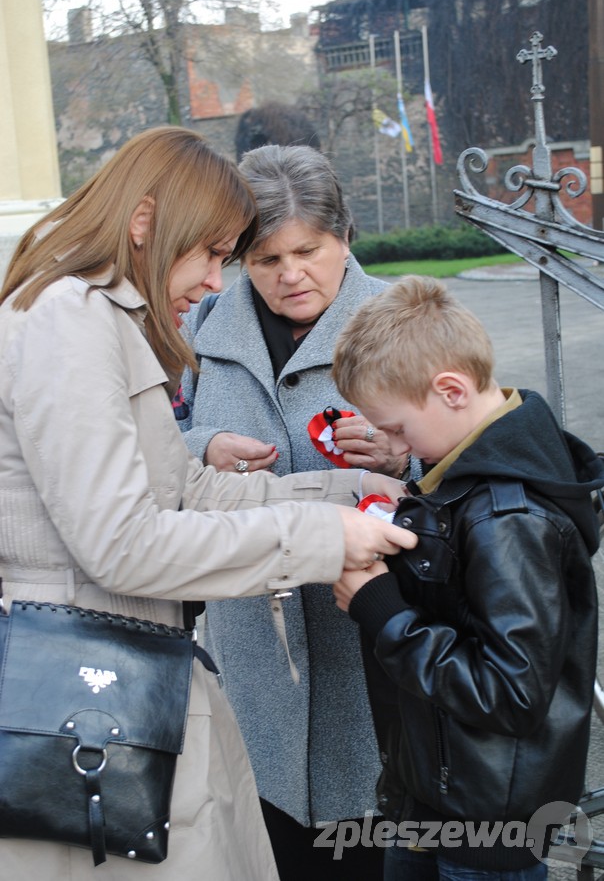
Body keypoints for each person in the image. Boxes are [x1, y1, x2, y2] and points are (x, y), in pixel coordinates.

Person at [0, 127, 417, 881]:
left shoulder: (97, 316)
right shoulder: (70, 323)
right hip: (87, 690)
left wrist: (347, 491)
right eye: (219, 253)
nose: (220, 282)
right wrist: (327, 536)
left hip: (118, 675)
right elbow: (123, 543)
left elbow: (184, 488)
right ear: (146, 226)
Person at [177, 144, 410, 880]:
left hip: (375, 644)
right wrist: (205, 441)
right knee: (267, 840)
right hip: (252, 646)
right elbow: (145, 443)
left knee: (373, 845)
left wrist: (403, 454)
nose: (290, 275)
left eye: (308, 250)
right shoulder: (200, 331)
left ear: (344, 235)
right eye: (266, 258)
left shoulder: (407, 320)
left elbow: (478, 447)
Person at [332, 276, 603, 881]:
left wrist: (381, 608)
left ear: (450, 390)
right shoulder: (458, 479)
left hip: (486, 824)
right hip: (438, 792)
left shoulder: (508, 518)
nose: (391, 443)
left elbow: (509, 692)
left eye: (397, 428)